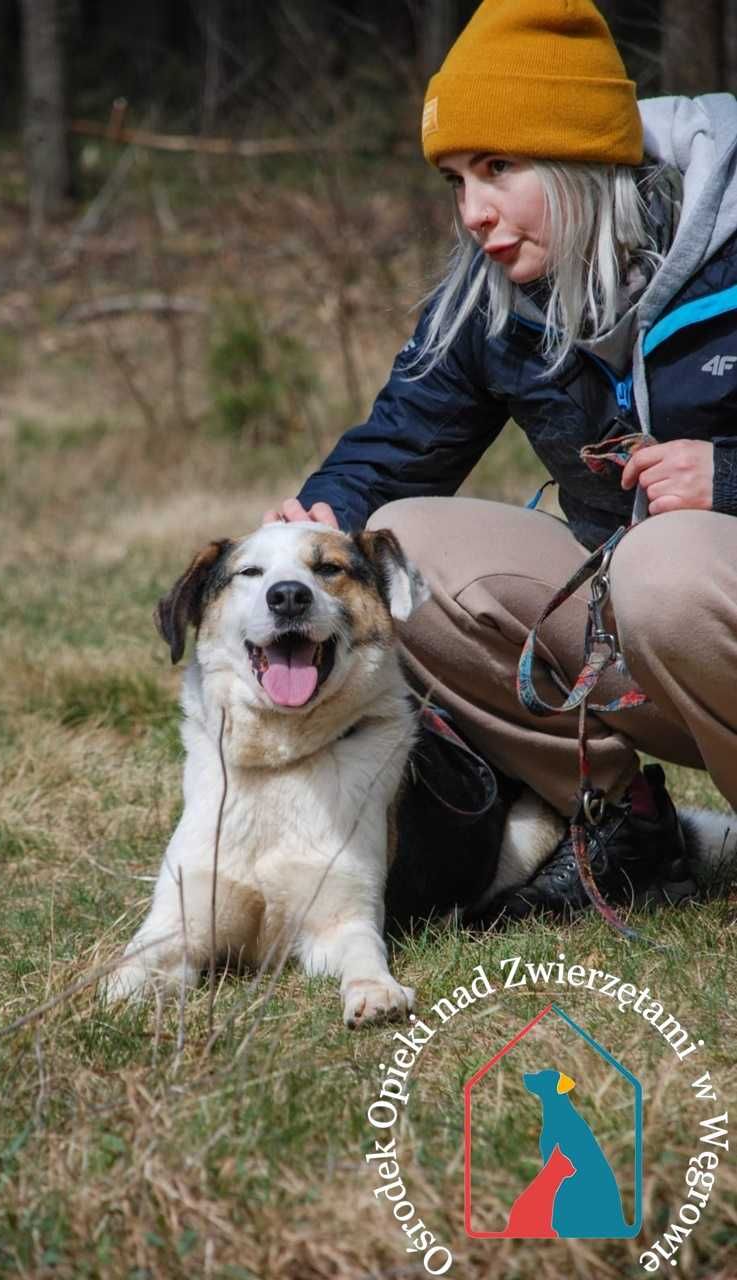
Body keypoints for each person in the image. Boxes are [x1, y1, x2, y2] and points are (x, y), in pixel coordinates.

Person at [263, 0, 737, 918]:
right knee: (396, 550)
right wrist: (317, 523)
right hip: (642, 631)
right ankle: (623, 829)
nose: (472, 213)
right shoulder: (495, 298)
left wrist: (726, 475)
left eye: (497, 168)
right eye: (453, 180)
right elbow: (399, 446)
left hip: (693, 592)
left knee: (666, 564)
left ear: (581, 155)